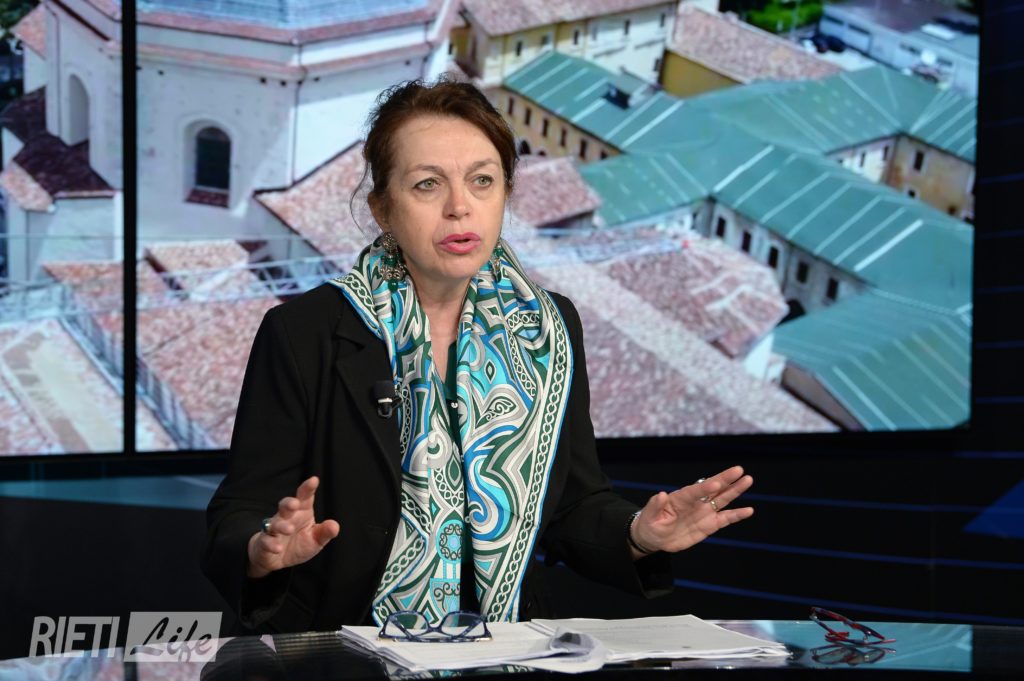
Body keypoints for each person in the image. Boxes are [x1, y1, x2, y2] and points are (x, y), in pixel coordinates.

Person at [201, 77, 754, 634]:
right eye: (427, 185)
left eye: (482, 181)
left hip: (504, 648)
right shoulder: (306, 332)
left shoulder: (549, 329)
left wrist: (639, 534)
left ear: (505, 194)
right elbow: (240, 511)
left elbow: (573, 508)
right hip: (342, 649)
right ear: (383, 208)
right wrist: (262, 549)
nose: (460, 207)